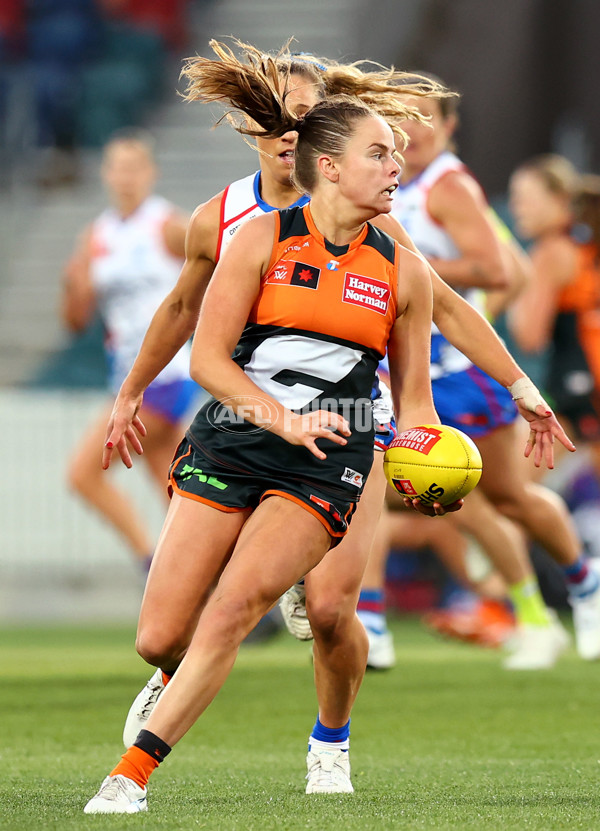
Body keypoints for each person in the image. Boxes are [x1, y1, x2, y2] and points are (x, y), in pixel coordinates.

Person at [83, 42, 569, 813]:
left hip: (348, 437)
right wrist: (132, 392)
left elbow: (443, 313)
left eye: (307, 114)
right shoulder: (231, 222)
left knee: (334, 608)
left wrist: (513, 391)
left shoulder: (388, 244)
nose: (293, 128)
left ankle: (328, 745)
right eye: (279, 117)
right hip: (242, 429)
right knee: (162, 635)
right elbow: (184, 318)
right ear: (268, 135)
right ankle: (178, 666)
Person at [380, 82, 600, 667]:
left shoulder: (448, 186)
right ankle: (512, 608)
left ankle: (571, 586)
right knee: (428, 497)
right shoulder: (390, 183)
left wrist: (412, 273)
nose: (413, 127)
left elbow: (494, 268)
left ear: (450, 126)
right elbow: (517, 271)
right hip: (404, 372)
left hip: (452, 372)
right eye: (400, 116)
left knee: (500, 498)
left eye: (425, 116)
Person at [61, 130, 195, 572]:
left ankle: (151, 566)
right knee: (177, 490)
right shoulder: (96, 235)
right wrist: (73, 286)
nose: (125, 178)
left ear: (150, 173)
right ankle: (217, 581)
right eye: (117, 168)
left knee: (83, 474)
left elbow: (210, 277)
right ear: (105, 174)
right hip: (127, 377)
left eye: (134, 168)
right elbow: (75, 321)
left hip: (165, 373)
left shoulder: (167, 225)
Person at [508, 155, 600, 483]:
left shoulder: (551, 252)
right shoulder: (584, 244)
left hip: (581, 388)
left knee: (513, 494)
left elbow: (529, 337)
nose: (517, 207)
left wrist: (515, 286)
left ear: (558, 200)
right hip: (582, 386)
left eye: (524, 198)